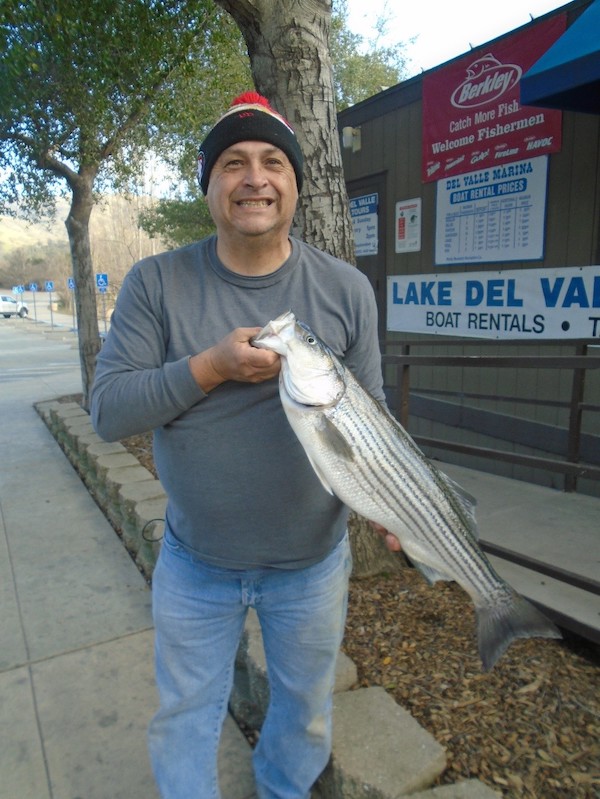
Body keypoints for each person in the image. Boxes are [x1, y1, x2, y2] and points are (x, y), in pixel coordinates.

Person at [90, 91, 399, 799]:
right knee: (185, 716)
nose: (254, 177)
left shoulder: (346, 290)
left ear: (295, 182)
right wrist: (211, 366)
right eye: (232, 162)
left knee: (305, 717)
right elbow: (108, 410)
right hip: (197, 563)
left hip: (311, 567)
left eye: (271, 162)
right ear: (209, 186)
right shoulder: (156, 283)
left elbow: (372, 411)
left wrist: (391, 502)